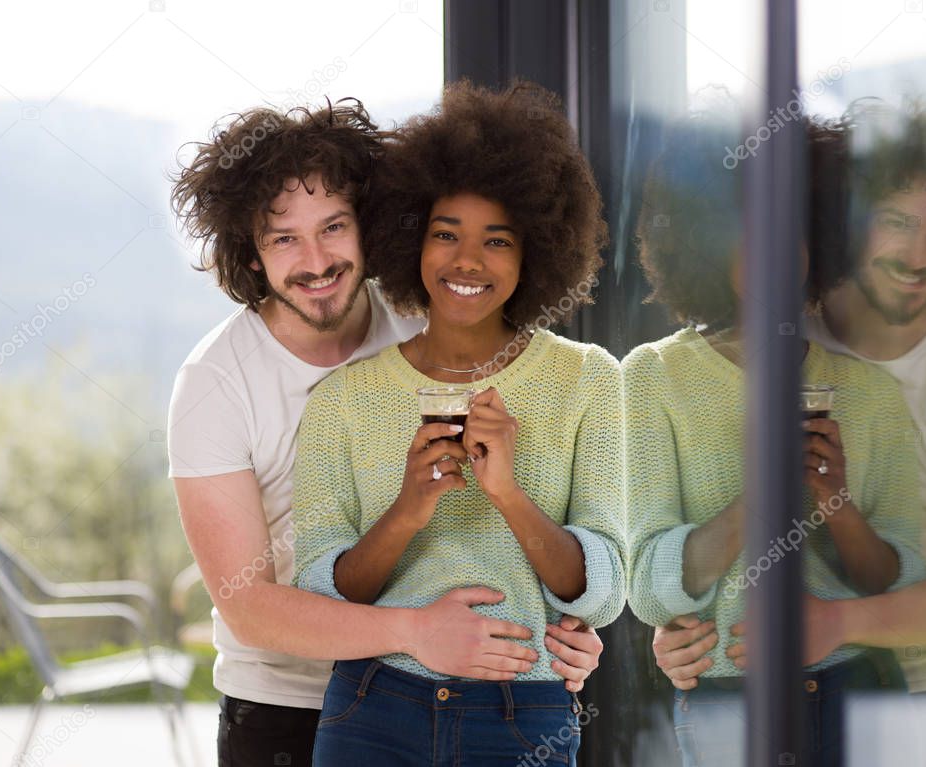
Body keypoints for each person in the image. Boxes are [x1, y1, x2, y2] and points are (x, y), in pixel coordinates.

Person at [167, 100, 604, 767]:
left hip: (457, 689)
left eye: (334, 227)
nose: (316, 260)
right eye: (284, 238)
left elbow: (517, 524)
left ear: (369, 228)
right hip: (280, 707)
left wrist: (566, 630)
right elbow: (248, 606)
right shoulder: (214, 382)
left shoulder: (424, 325)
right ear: (250, 256)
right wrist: (414, 632)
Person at [290, 80, 627, 766]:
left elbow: (603, 587)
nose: (467, 260)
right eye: (445, 234)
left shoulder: (588, 379)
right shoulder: (342, 401)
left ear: (534, 250)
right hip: (372, 702)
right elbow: (326, 592)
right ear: (411, 239)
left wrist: (506, 491)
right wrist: (408, 510)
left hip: (521, 709)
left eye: (495, 240)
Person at [651, 102, 926, 766]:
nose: (917, 256)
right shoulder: (771, 314)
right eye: (895, 222)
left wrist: (836, 623)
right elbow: (680, 515)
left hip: (915, 699)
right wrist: (670, 629)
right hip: (746, 686)